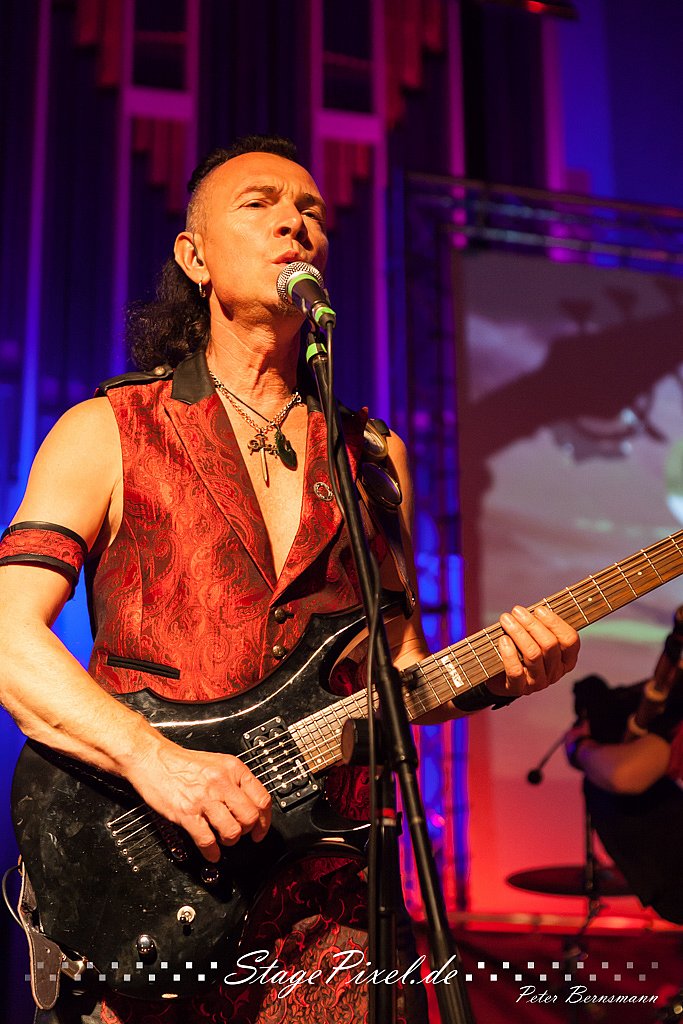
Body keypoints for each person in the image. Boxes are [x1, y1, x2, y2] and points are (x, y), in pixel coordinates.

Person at [0, 135, 581, 1024]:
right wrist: (157, 762)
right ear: (194, 257)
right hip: (147, 886)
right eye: (260, 204)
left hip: (334, 909)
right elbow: (10, 636)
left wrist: (500, 674)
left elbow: (398, 673)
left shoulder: (372, 458)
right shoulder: (106, 431)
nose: (294, 223)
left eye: (310, 210)